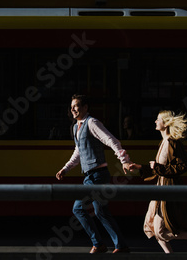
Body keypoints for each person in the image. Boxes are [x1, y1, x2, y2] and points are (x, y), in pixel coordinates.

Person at [56, 94, 133, 254]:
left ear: (85, 107)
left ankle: (98, 244)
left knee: (78, 208)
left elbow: (112, 141)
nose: (72, 109)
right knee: (101, 212)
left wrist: (124, 160)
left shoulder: (92, 123)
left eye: (76, 105)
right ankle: (121, 245)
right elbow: (79, 151)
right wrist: (66, 168)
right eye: (71, 106)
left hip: (97, 175)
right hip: (91, 176)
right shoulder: (76, 127)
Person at [130, 110, 187, 253]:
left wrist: (158, 167)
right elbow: (159, 170)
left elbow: (181, 166)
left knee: (160, 231)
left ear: (165, 123)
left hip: (167, 190)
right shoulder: (164, 142)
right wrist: (139, 167)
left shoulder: (172, 142)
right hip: (160, 190)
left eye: (158, 119)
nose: (155, 121)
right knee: (154, 229)